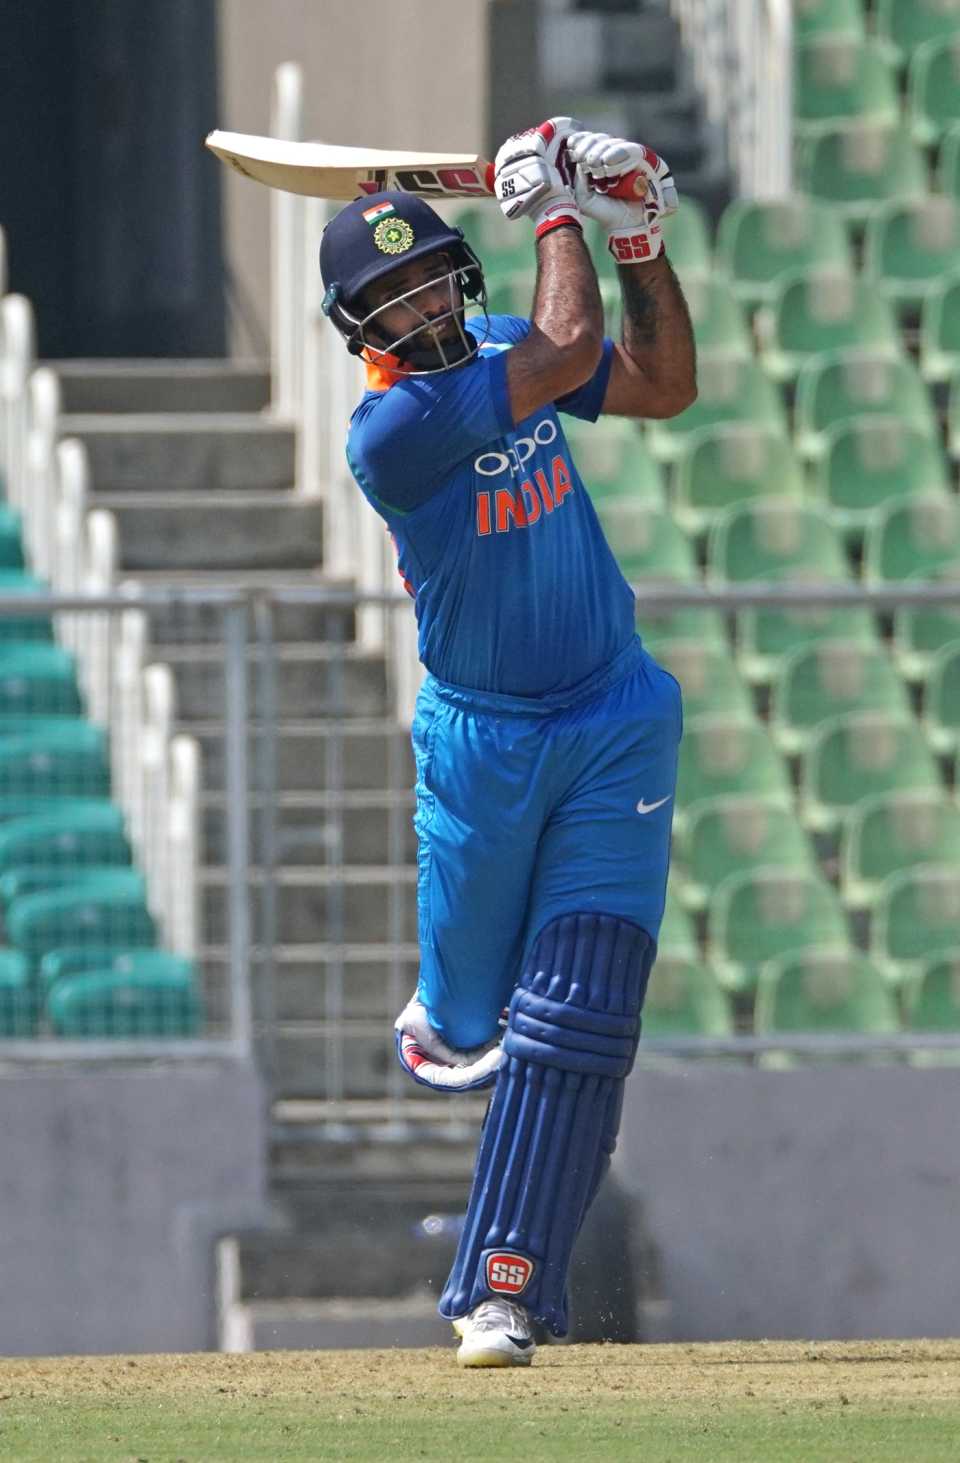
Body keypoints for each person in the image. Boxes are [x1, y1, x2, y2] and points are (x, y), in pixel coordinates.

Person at [319, 117, 696, 1367]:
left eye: (428, 273)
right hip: (482, 748)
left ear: (461, 281)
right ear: (357, 331)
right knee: (478, 1022)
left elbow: (658, 382)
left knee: (579, 1013)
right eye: (387, 295)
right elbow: (571, 341)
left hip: (610, 718)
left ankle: (501, 1288)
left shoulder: (497, 347)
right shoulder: (393, 434)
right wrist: (554, 208)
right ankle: (447, 1008)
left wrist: (637, 235)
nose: (418, 300)